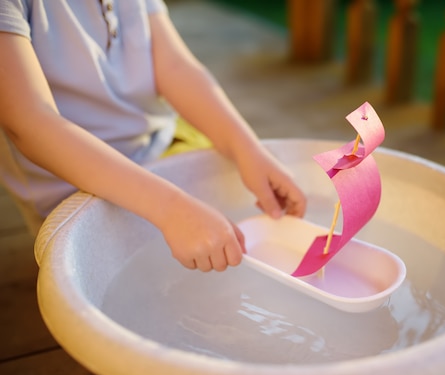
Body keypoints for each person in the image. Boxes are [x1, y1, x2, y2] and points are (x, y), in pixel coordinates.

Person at [0, 0, 307, 272]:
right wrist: (171, 208)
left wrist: (247, 149)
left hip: (160, 142)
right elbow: (29, 123)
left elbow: (175, 66)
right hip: (74, 186)